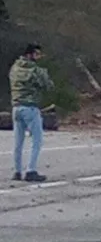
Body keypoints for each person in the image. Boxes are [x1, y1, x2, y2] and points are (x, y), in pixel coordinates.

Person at [9, 43, 54, 182]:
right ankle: (31, 170)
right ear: (30, 55)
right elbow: (49, 86)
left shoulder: (14, 68)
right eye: (37, 54)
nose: (38, 57)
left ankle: (17, 171)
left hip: (16, 107)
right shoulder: (36, 70)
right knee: (37, 140)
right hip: (30, 108)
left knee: (18, 142)